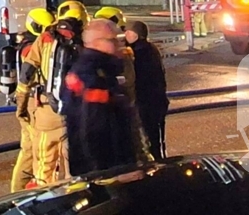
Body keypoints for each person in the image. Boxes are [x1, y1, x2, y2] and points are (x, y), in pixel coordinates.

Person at [17, 0, 86, 186]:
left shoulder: (46, 38)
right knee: (76, 168)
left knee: (43, 166)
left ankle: (45, 197)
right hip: (78, 113)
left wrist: (21, 108)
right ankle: (76, 196)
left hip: (47, 110)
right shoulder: (87, 39)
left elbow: (26, 74)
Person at [63, 19, 138, 175]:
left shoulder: (102, 69)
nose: (120, 45)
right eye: (113, 40)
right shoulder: (92, 75)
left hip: (113, 166)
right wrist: (104, 175)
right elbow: (91, 129)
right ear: (96, 43)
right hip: (107, 170)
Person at [10, 7, 54, 191]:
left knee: (35, 150)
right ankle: (17, 193)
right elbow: (30, 77)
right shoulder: (30, 48)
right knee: (30, 150)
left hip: (32, 101)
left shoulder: (30, 44)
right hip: (31, 102)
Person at [124, 20, 169, 160]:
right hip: (156, 101)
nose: (126, 35)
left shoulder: (139, 52)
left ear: (136, 35)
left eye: (129, 32)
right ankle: (159, 159)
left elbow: (139, 77)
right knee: (155, 137)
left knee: (149, 138)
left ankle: (155, 163)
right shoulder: (150, 49)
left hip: (147, 102)